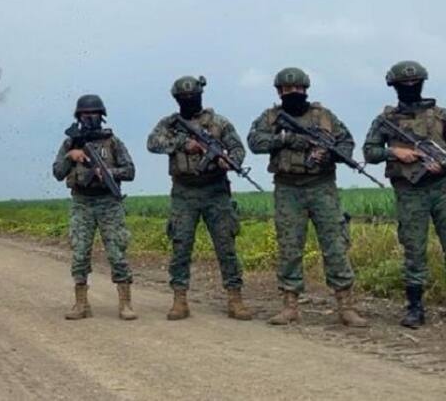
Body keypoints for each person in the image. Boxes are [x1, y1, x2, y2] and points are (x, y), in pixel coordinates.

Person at [247, 68, 367, 327]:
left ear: (305, 89)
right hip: (288, 188)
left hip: (322, 187)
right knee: (289, 247)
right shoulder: (270, 118)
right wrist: (287, 140)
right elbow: (255, 142)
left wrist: (330, 153)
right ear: (279, 92)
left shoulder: (324, 116)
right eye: (286, 90)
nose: (292, 93)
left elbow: (346, 142)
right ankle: (290, 306)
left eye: (297, 89)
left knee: (335, 244)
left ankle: (346, 306)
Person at [147, 76, 252, 320]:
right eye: (182, 98)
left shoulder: (218, 123)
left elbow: (237, 149)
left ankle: (235, 298)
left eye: (191, 97)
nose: (188, 101)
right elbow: (152, 143)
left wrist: (227, 161)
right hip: (184, 192)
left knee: (226, 246)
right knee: (181, 245)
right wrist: (184, 144)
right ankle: (179, 299)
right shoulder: (170, 124)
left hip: (216, 191)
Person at [362, 61, 446, 329]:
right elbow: (369, 152)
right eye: (404, 84)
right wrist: (395, 153)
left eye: (414, 83)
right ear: (394, 87)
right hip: (410, 192)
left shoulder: (441, 116)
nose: (410, 87)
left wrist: (441, 164)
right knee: (413, 248)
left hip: (441, 188)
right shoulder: (386, 121)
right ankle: (415, 307)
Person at [52, 95, 137, 321]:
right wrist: (72, 156)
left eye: (94, 114)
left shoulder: (113, 142)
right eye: (85, 115)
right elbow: (58, 172)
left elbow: (129, 170)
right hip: (82, 202)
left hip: (109, 203)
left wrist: (109, 173)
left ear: (102, 116)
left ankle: (125, 303)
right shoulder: (70, 144)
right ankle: (81, 304)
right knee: (79, 253)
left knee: (117, 253)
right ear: (78, 117)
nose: (90, 118)